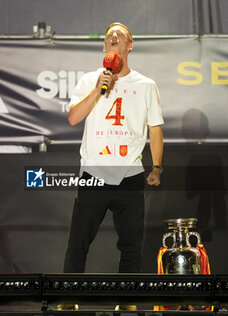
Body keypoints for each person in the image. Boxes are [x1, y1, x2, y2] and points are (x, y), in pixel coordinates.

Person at [64, 22, 164, 273]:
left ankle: (127, 301)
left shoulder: (146, 85)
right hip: (94, 173)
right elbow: (74, 118)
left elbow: (155, 129)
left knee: (131, 246)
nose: (114, 37)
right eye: (109, 36)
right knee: (78, 242)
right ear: (104, 46)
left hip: (129, 174)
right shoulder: (90, 80)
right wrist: (98, 88)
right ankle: (67, 298)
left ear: (130, 45)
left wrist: (157, 166)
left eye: (120, 35)